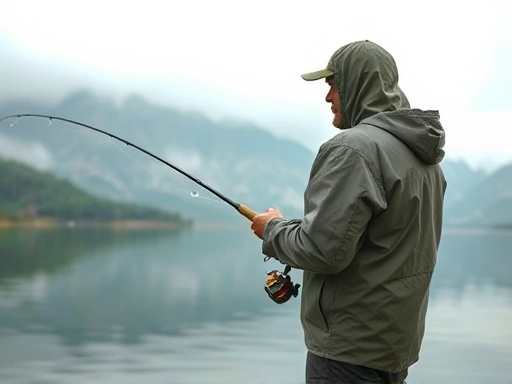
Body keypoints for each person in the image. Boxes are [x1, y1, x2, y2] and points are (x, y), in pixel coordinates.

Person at [250, 40, 447, 384]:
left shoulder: (352, 150)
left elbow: (324, 251)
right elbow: (373, 240)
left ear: (357, 84)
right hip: (394, 350)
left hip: (346, 355)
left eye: (332, 84)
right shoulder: (427, 163)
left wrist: (272, 230)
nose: (327, 97)